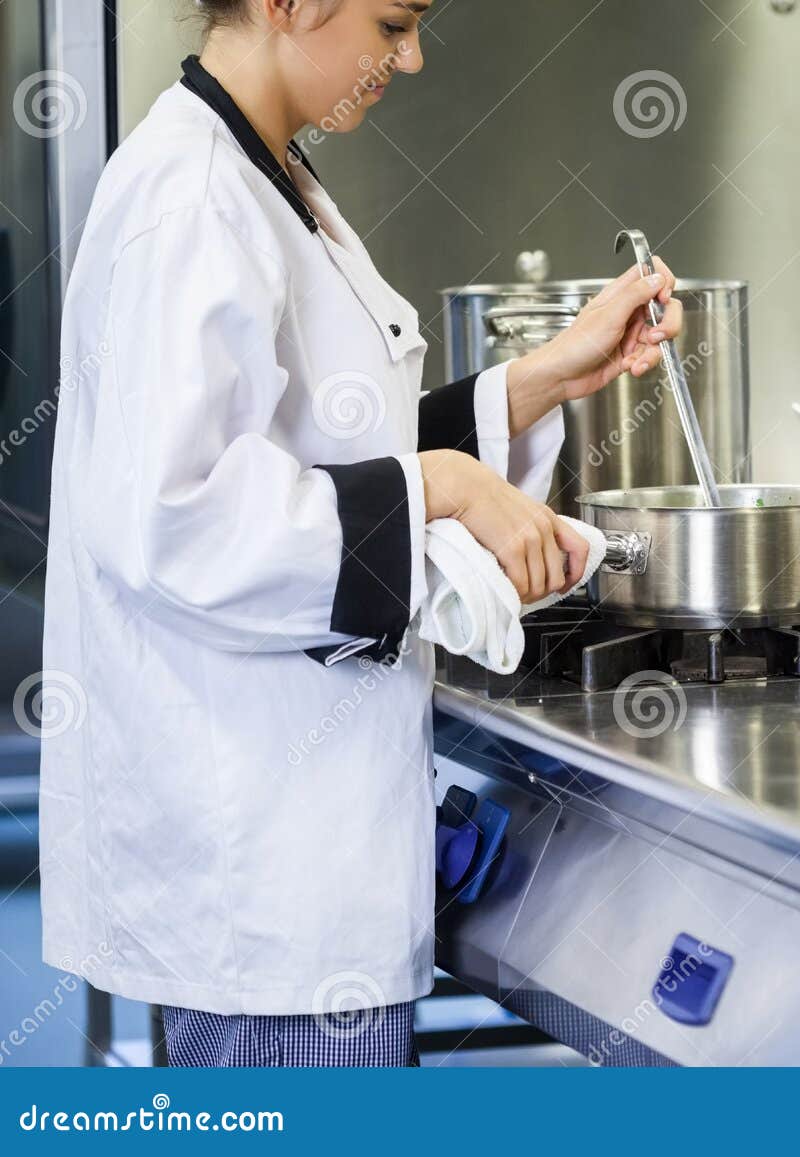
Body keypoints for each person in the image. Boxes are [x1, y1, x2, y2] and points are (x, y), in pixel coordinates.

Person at [39, 0, 683, 1066]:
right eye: (394, 21)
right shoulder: (190, 192)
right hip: (258, 884)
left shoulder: (266, 176)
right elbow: (175, 519)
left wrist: (541, 379)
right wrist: (440, 486)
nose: (414, 56)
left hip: (297, 861)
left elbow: (318, 447)